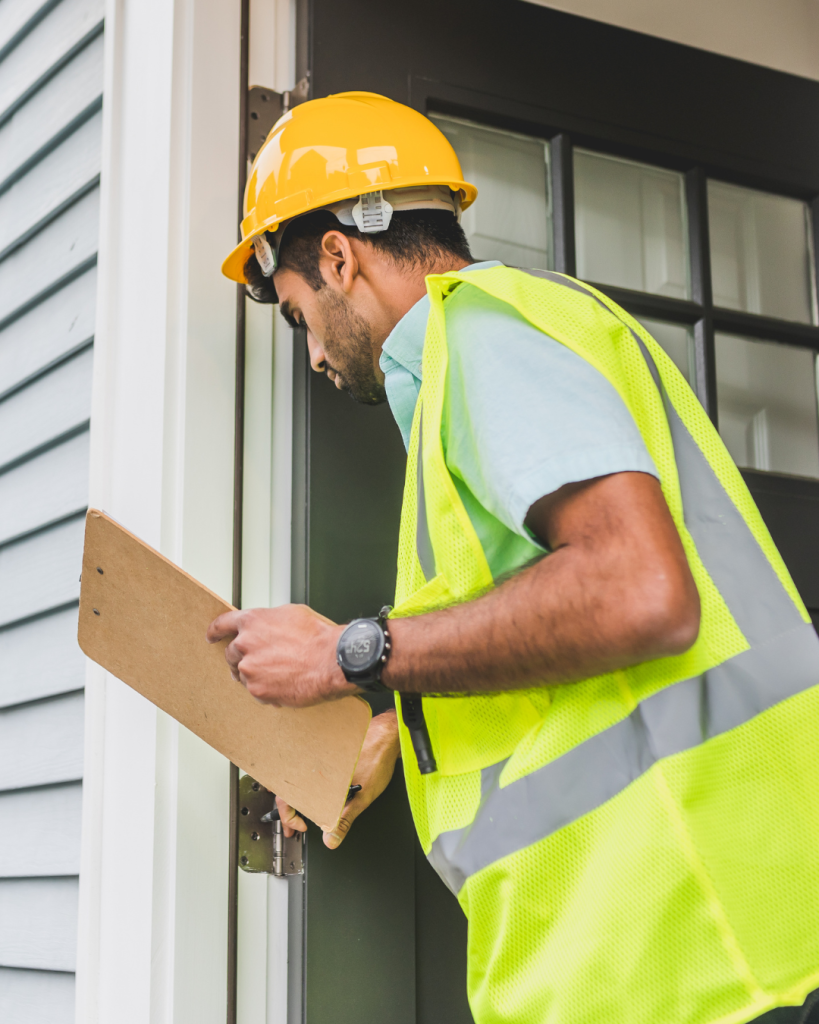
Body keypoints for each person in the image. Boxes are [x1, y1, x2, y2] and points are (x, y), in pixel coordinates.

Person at [213, 92, 819, 1024]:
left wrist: (346, 655)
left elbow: (639, 594)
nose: (312, 358)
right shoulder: (492, 351)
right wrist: (392, 730)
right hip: (667, 944)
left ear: (338, 257)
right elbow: (552, 636)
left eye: (297, 317)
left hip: (689, 947)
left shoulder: (486, 336)